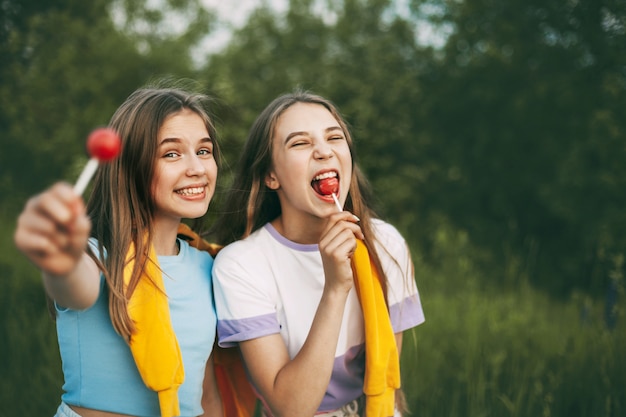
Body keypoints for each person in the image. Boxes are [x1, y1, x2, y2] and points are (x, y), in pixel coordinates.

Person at [209, 90, 425, 417]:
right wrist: (335, 289)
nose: (324, 151)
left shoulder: (385, 244)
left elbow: (383, 379)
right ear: (271, 175)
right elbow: (290, 408)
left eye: (334, 137)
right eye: (300, 143)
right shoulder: (241, 265)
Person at [14, 84, 224, 417]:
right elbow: (74, 285)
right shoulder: (94, 257)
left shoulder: (209, 265)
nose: (196, 168)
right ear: (131, 165)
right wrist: (61, 260)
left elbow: (207, 395)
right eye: (171, 153)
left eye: (204, 151)